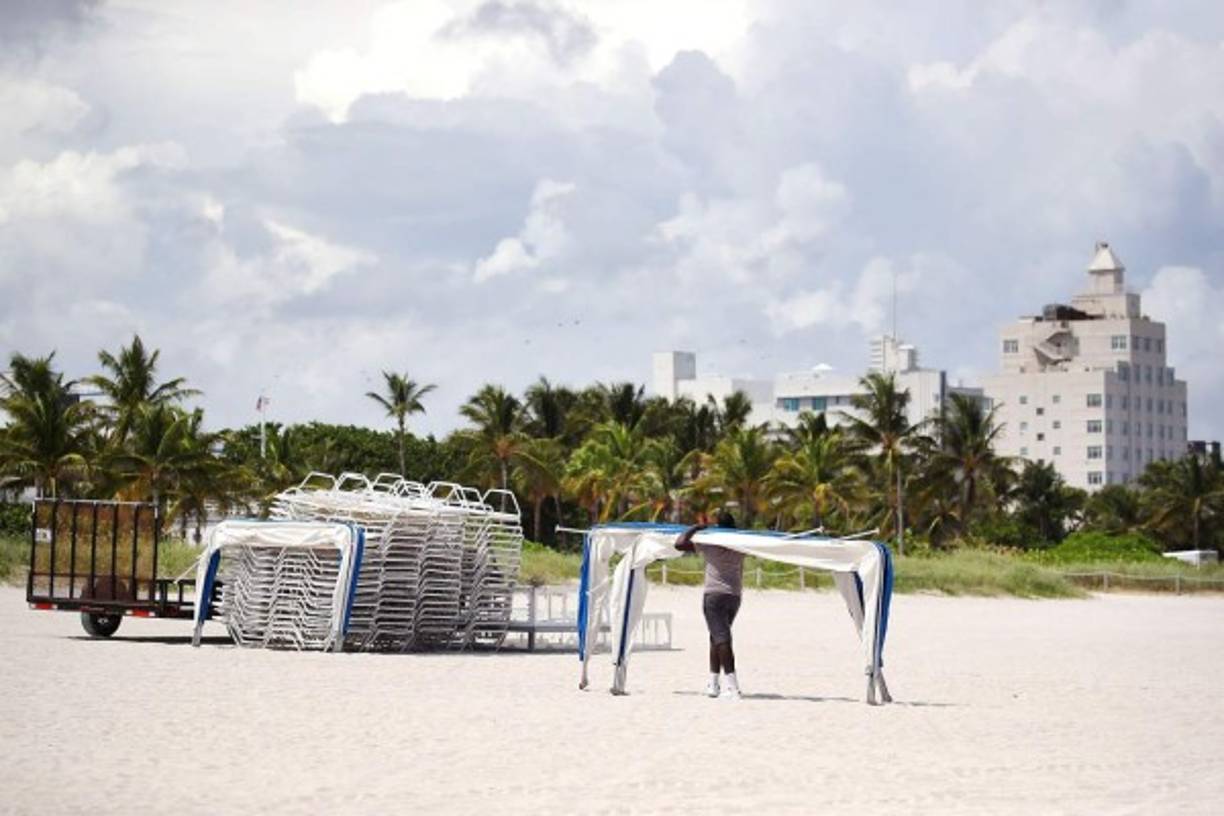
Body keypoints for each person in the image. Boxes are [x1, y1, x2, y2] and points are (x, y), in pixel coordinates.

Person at [676, 510, 745, 699]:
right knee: (717, 638)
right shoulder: (742, 544)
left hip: (714, 596)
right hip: (734, 596)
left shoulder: (710, 543)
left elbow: (679, 543)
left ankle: (733, 687)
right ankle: (713, 684)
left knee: (722, 639)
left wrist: (696, 527)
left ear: (718, 526)